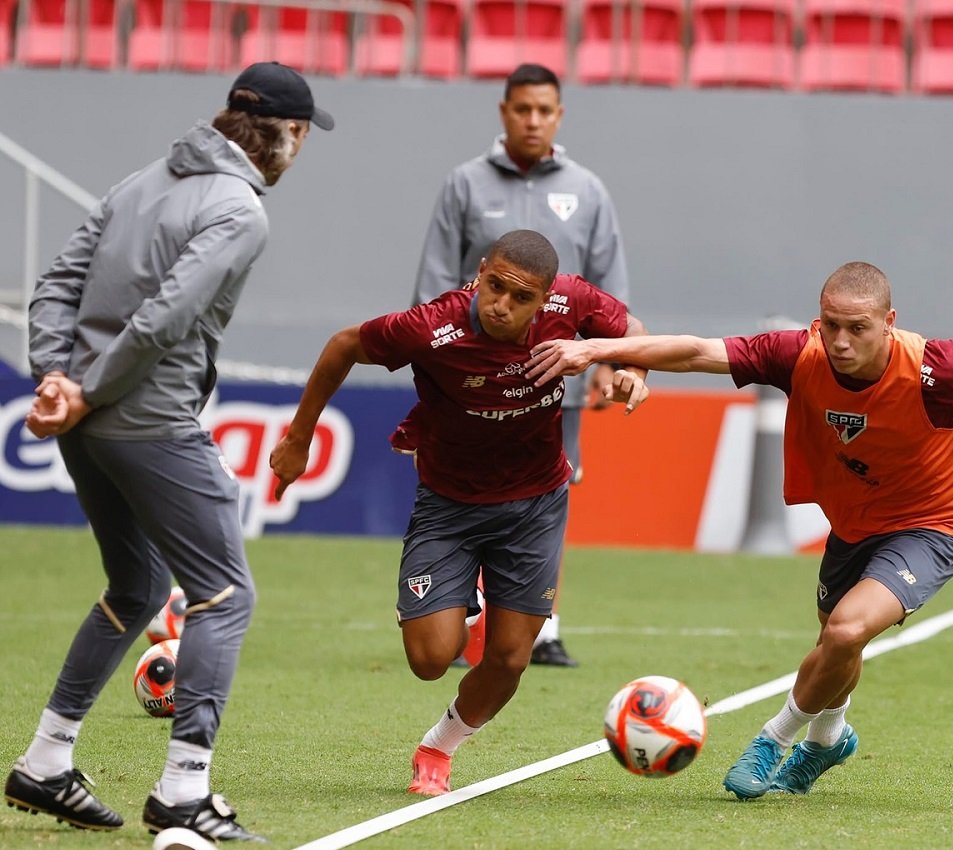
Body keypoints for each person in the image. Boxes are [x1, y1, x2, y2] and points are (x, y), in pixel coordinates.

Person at [525, 260, 953, 800]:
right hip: (853, 525)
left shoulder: (939, 367)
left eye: (857, 328)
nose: (840, 340)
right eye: (830, 325)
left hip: (933, 527)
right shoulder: (796, 354)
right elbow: (697, 351)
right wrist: (596, 349)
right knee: (838, 645)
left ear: (888, 322)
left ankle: (773, 740)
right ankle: (831, 738)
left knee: (847, 627)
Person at [5, 61, 333, 842]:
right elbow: (162, 321)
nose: (301, 150)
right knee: (224, 595)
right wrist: (83, 389)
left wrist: (56, 378)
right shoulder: (240, 212)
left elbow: (55, 284)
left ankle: (46, 761)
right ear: (286, 136)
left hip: (89, 422)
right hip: (147, 422)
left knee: (138, 582)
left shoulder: (138, 182)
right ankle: (184, 790)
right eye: (303, 137)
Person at [270, 229, 647, 796]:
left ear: (545, 300)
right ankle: (462, 591)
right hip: (449, 503)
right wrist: (299, 438)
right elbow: (344, 345)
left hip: (534, 504)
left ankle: (439, 747)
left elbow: (634, 332)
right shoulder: (431, 327)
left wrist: (633, 371)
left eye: (521, 298)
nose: (502, 305)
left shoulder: (574, 302)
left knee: (511, 659)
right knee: (429, 658)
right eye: (494, 287)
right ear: (480, 272)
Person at [411, 62, 631, 667]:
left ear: (559, 116)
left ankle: (545, 625)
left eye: (545, 110)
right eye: (522, 109)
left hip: (553, 379)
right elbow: (433, 283)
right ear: (504, 112)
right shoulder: (464, 184)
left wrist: (613, 360)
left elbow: (610, 287)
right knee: (466, 483)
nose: (533, 120)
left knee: (552, 487)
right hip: (470, 382)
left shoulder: (587, 190)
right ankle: (461, 608)